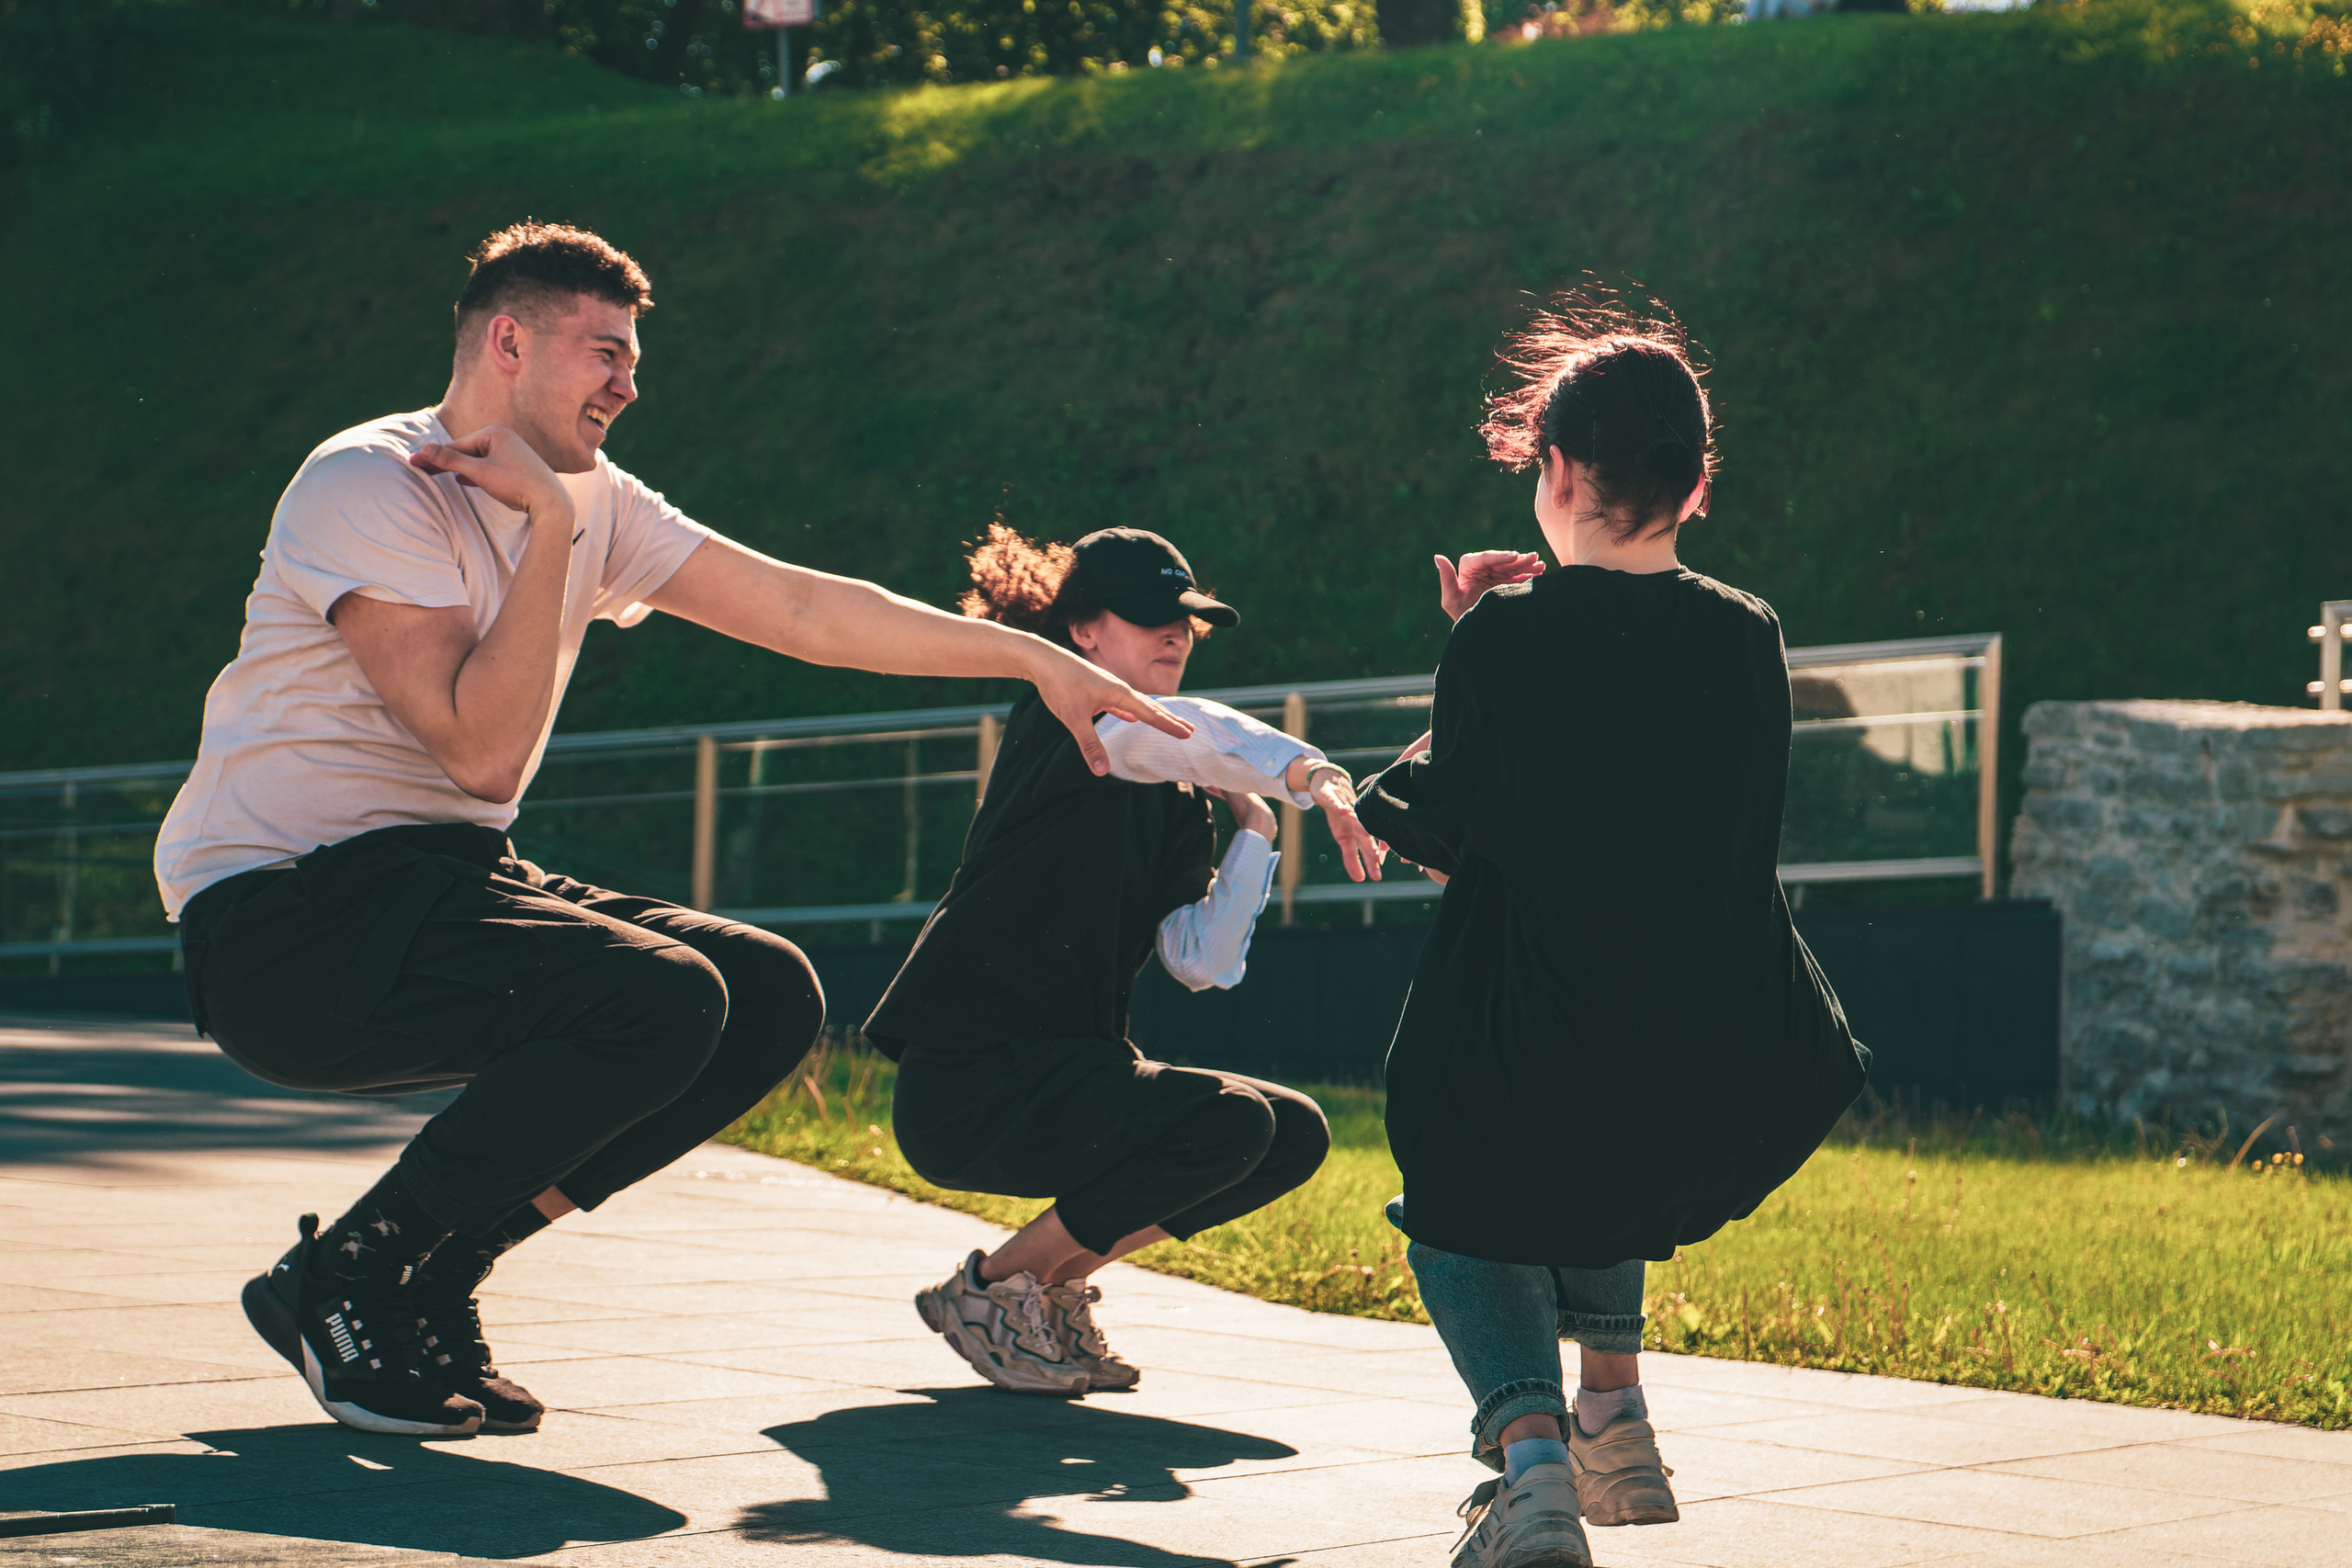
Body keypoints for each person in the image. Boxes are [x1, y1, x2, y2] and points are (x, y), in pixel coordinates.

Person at [153, 223, 1190, 1439]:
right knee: (657, 994)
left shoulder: (594, 499)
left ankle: (435, 1267)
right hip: (286, 922)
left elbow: (804, 608)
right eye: (604, 351)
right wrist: (549, 528)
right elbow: (478, 749)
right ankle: (347, 1272)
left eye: (633, 357)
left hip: (438, 883)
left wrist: (1033, 658)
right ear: (506, 341)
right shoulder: (372, 483)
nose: (629, 383)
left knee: (762, 991)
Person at [1353, 291, 1871, 1568]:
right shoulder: (1751, 637)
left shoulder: (1507, 639)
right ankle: (1615, 1408)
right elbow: (1642, 785)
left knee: (1456, 1196)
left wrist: (1480, 639)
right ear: (1696, 489)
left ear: (1562, 468)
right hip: (1714, 1058)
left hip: (1532, 1055)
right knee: (1598, 1130)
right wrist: (1510, 638)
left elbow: (1453, 814)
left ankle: (1535, 1472)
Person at [864, 525, 1382, 1396]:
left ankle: (1047, 1287)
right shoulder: (1070, 723)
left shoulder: (1179, 797)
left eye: (1185, 619)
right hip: (971, 1083)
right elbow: (1191, 730)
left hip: (1067, 1078)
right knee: (1230, 1120)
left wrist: (1255, 830)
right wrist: (1306, 771)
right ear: (1083, 633)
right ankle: (990, 1291)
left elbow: (1199, 963)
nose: (1176, 634)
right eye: (1149, 618)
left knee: (1289, 1131)